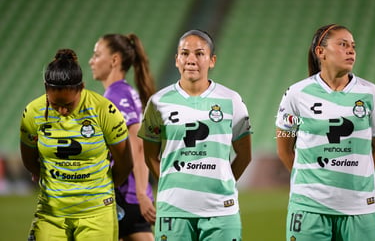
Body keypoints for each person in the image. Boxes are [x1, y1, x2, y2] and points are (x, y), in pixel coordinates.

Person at [275, 24, 375, 241]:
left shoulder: (369, 92)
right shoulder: (296, 93)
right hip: (308, 206)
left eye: (353, 46)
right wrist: (313, 181)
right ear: (321, 52)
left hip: (359, 206)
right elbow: (284, 148)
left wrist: (354, 176)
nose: (351, 50)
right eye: (342, 44)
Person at [137, 29, 252, 241]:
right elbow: (150, 155)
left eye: (199, 54)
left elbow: (245, 155)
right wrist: (171, 183)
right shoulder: (157, 102)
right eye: (185, 53)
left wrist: (223, 183)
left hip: (221, 210)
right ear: (176, 60)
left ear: (212, 60)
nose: (191, 59)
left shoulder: (231, 100)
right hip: (174, 210)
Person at [20, 48, 133, 240]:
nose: (62, 111)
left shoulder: (104, 110)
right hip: (51, 214)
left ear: (81, 87)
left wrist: (102, 187)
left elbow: (125, 162)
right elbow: (29, 160)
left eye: (68, 105)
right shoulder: (33, 112)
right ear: (45, 89)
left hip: (97, 214)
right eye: (55, 105)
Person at [89, 33, 156, 241]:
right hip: (126, 195)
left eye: (97, 54)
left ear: (114, 60)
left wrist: (141, 194)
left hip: (126, 196)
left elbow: (138, 145)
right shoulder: (126, 92)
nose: (91, 61)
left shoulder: (116, 97)